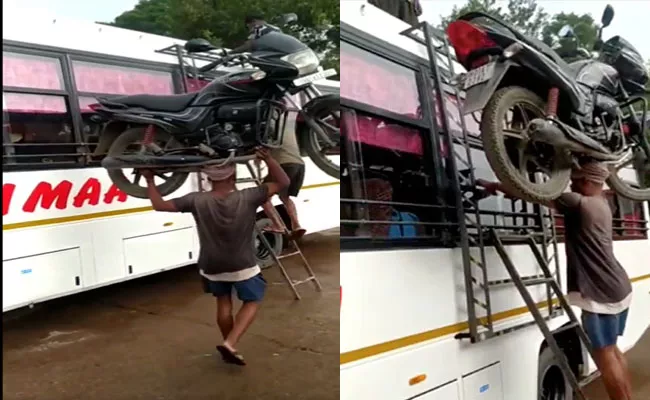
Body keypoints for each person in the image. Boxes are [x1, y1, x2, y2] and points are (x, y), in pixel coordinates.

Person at [477, 161, 633, 400]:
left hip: (599, 291)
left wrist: (495, 185)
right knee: (612, 350)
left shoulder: (578, 203)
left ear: (590, 181)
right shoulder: (603, 203)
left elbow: (531, 193)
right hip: (619, 286)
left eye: (577, 180)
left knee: (604, 356)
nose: (571, 183)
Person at [140, 147, 289, 366]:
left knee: (223, 302)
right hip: (242, 263)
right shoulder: (249, 196)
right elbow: (284, 182)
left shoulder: (196, 200)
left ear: (208, 177)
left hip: (211, 264)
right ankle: (230, 343)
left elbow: (159, 205)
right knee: (253, 300)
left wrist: (150, 181)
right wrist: (269, 159)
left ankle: (230, 344)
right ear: (233, 175)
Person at [260, 113, 307, 239]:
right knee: (284, 197)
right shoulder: (288, 122)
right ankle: (297, 225)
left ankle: (278, 225)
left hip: (284, 164)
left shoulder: (267, 124)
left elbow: (264, 148)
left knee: (261, 196)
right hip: (299, 164)